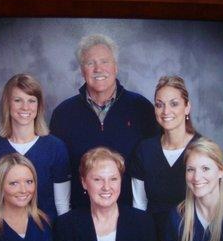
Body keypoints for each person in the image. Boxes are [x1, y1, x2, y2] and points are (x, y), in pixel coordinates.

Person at [50, 34, 158, 209]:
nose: (98, 69)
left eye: (104, 61)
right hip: (79, 216)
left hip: (131, 215)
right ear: (81, 70)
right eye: (90, 63)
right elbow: (59, 173)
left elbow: (153, 167)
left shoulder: (142, 109)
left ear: (116, 67)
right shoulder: (63, 114)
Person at [0, 73, 71, 221]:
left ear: (39, 106)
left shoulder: (56, 148)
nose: (25, 107)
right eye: (18, 100)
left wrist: (64, 239)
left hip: (48, 236)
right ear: (7, 104)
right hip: (5, 237)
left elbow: (62, 205)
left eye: (31, 100)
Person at [52, 147, 161, 241]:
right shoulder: (65, 226)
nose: (106, 187)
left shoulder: (143, 223)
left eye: (113, 179)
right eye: (98, 179)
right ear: (84, 183)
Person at [130, 75, 201, 241]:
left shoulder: (202, 148)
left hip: (193, 240)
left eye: (174, 103)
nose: (165, 111)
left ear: (187, 107)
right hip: (152, 239)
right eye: (159, 104)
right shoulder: (144, 149)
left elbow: (214, 206)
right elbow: (139, 205)